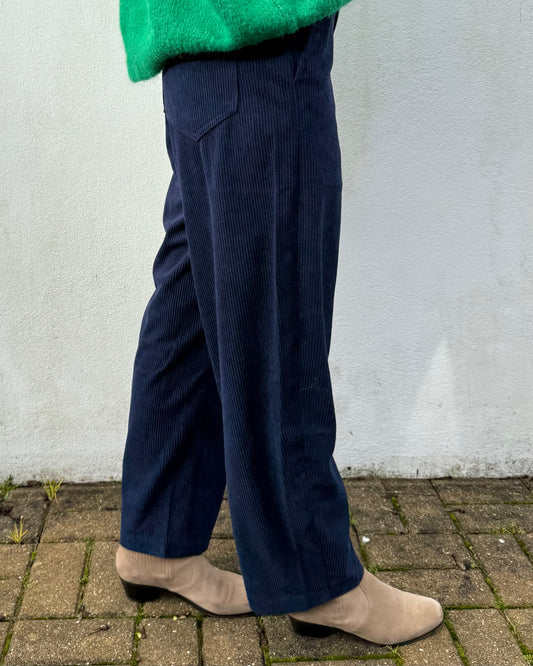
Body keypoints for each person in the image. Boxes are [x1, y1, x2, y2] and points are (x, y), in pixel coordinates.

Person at [114, 0, 444, 646]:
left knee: (193, 296)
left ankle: (158, 537)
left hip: (198, 44)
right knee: (277, 309)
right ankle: (316, 581)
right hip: (256, 34)